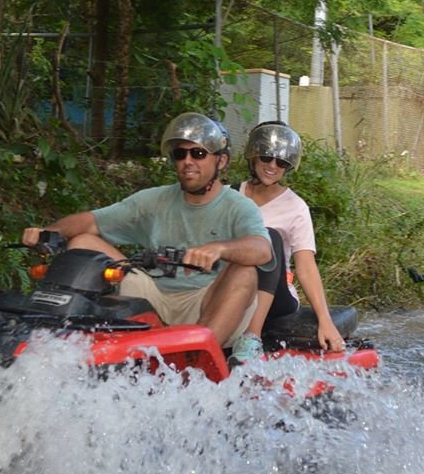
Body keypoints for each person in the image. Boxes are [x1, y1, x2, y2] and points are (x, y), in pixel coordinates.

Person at [21, 112, 273, 348]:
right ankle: (64, 340)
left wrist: (220, 248)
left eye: (198, 153)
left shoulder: (238, 206)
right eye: (179, 154)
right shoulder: (153, 200)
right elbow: (90, 221)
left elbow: (262, 250)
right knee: (83, 241)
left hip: (205, 302)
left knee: (245, 272)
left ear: (221, 160)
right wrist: (47, 232)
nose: (187, 162)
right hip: (153, 296)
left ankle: (198, 353)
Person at [229, 120, 345, 363]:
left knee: (267, 237)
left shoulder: (296, 207)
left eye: (281, 162)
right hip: (232, 289)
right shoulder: (229, 196)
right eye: (266, 158)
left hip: (276, 295)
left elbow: (306, 266)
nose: (272, 166)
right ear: (253, 156)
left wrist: (325, 320)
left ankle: (252, 337)